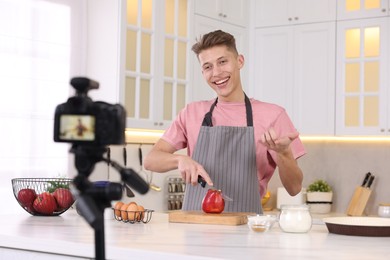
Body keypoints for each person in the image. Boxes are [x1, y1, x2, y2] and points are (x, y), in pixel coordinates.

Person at [144, 30, 305, 213]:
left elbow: (294, 189)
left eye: (222, 62)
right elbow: (150, 160)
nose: (217, 73)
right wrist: (180, 160)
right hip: (195, 228)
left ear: (239, 61)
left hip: (245, 229)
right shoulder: (192, 112)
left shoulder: (273, 115)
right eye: (208, 67)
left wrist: (284, 153)